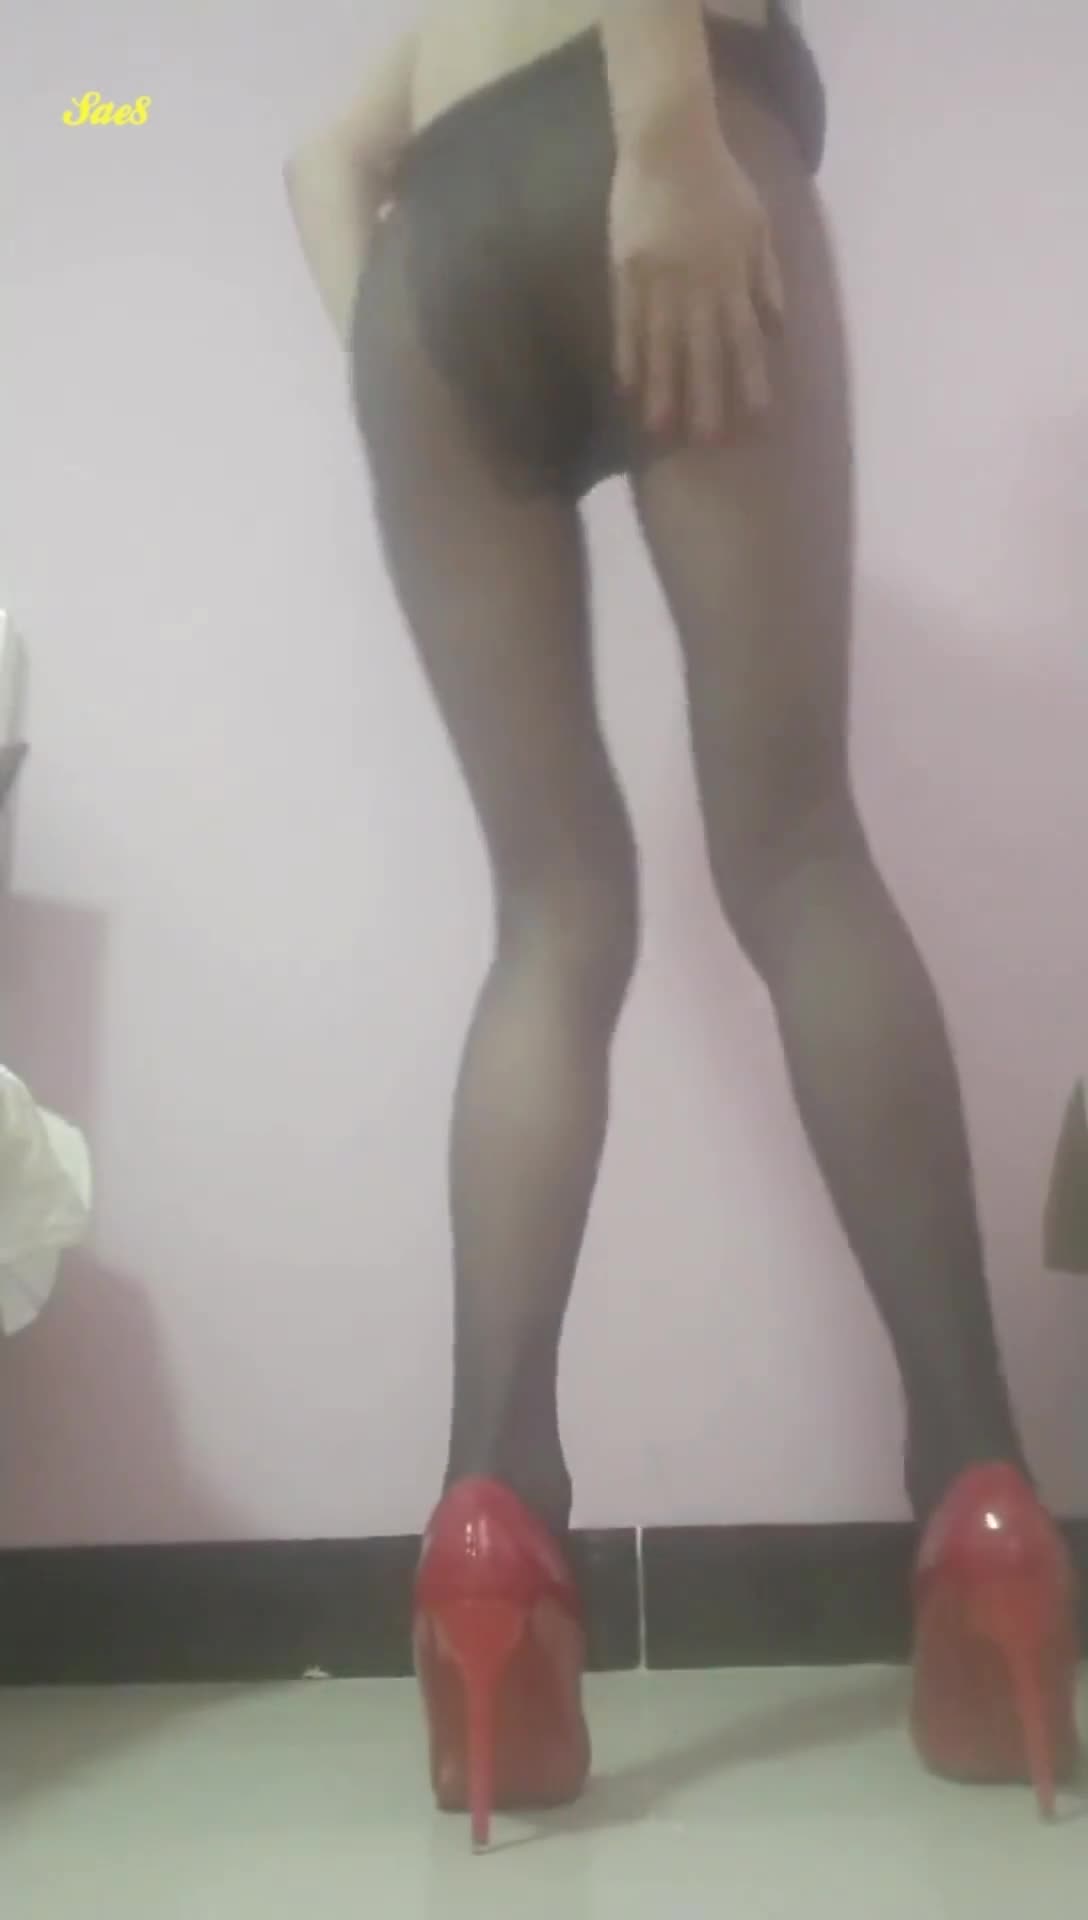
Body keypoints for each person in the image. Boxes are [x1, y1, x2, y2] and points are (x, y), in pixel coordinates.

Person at [285, 0, 1079, 1847]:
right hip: (641, 114)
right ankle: (978, 1495)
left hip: (433, 263)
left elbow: (325, 166)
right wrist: (662, 124)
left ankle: (490, 1510)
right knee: (796, 852)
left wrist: (406, 362)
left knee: (549, 914)